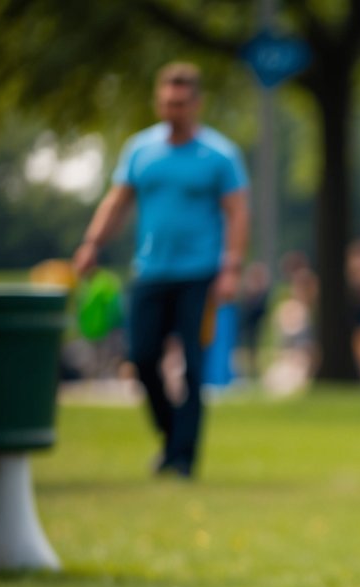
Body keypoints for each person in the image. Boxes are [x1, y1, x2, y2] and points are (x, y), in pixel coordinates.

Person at [73, 62, 250, 478]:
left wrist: (231, 267)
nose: (175, 109)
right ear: (158, 101)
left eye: (183, 103)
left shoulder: (220, 155)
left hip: (200, 273)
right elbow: (117, 201)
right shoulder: (141, 150)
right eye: (168, 102)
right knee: (142, 357)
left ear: (197, 104)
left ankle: (184, 459)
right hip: (151, 270)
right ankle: (172, 436)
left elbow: (238, 213)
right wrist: (92, 243)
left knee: (193, 363)